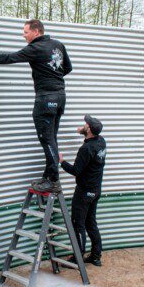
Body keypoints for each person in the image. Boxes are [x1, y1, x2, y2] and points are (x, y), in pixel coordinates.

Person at [0, 19, 72, 193]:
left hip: (45, 99)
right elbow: (68, 68)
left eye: (25, 32)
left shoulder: (35, 48)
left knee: (47, 139)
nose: (23, 35)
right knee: (51, 138)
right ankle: (48, 176)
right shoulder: (58, 45)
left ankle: (53, 180)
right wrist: (52, 76)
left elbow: (9, 57)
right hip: (60, 97)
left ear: (36, 32)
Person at [60, 114, 106, 266]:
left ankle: (78, 259)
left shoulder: (86, 149)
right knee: (90, 223)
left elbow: (75, 170)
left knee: (78, 223)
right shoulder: (100, 142)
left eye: (86, 124)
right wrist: (82, 132)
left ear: (90, 130)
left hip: (84, 192)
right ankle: (95, 256)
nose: (84, 124)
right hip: (96, 190)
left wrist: (62, 161)